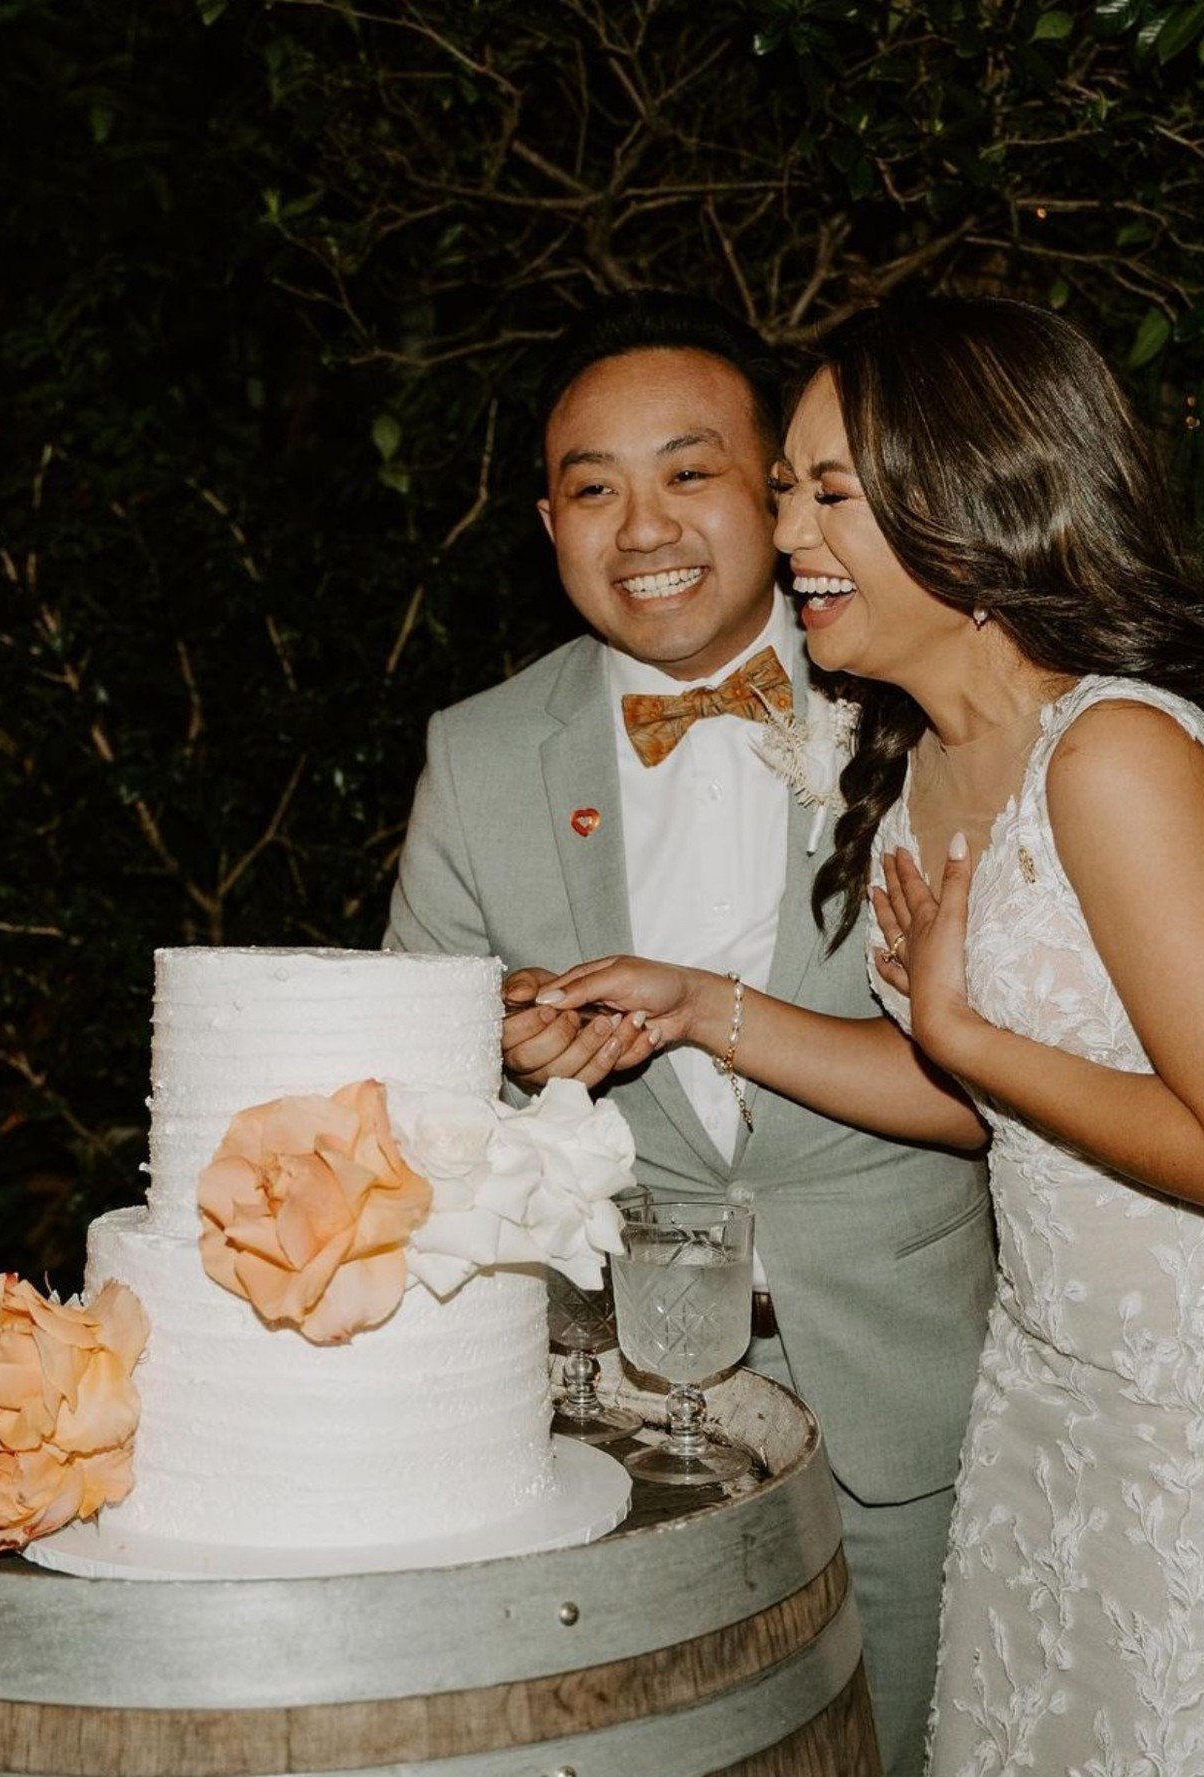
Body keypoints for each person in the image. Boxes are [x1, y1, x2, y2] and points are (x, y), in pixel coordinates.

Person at [534, 294, 1204, 1773]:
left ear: (973, 499)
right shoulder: (925, 765)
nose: (790, 534)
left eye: (831, 492)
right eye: (787, 489)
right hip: (1052, 1389)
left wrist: (976, 1040)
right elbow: (979, 1101)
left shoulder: (1114, 751)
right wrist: (700, 1004)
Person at [386, 292, 997, 1777]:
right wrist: (505, 1053)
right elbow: (402, 1071)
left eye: (691, 470)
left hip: (919, 1389)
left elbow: (1091, 956)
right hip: (622, 1431)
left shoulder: (915, 684)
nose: (642, 524)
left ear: (778, 493)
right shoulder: (476, 754)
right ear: (548, 522)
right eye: (593, 487)